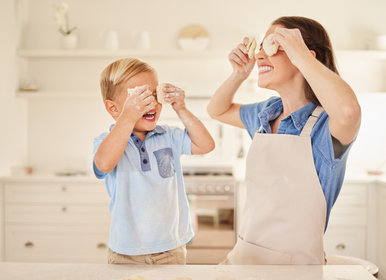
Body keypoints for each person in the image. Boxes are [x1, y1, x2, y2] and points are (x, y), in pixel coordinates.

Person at [207, 16, 361, 265]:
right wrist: (238, 74)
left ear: (304, 55)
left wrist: (302, 57)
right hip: (245, 258)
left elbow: (349, 112)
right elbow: (217, 110)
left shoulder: (324, 127)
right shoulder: (266, 113)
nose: (258, 55)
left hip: (296, 271)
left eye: (273, 45)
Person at [93, 58, 215, 264]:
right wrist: (128, 118)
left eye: (154, 95)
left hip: (170, 248)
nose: (152, 103)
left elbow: (205, 145)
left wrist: (181, 108)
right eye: (139, 98)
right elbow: (103, 164)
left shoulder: (169, 136)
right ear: (114, 109)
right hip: (126, 250)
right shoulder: (107, 142)